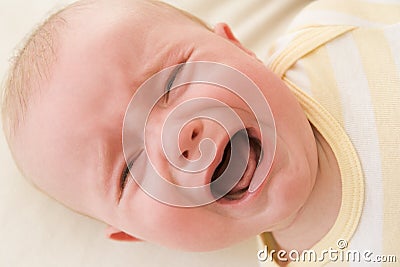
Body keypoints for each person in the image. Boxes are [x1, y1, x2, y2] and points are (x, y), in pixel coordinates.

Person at [1, 0, 399, 266]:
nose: (176, 138)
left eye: (173, 82)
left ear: (237, 47)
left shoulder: (332, 36)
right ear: (135, 235)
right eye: (129, 170)